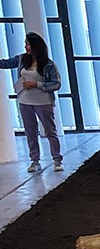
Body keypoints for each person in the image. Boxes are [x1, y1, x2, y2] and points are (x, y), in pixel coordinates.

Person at [1, 32, 62, 173]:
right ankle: (35, 160)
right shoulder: (22, 59)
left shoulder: (48, 64)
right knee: (30, 132)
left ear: (35, 46)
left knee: (50, 131)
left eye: (27, 44)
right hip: (25, 101)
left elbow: (56, 84)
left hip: (43, 102)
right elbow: (5, 63)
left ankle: (57, 159)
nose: (25, 47)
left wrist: (37, 84)